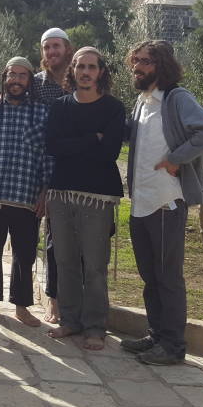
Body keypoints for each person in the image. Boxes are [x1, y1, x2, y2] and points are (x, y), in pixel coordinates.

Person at [120, 39, 203, 366]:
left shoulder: (177, 98)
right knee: (150, 275)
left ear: (162, 65)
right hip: (141, 202)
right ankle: (157, 335)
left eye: (146, 62)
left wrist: (177, 158)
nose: (138, 67)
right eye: (135, 61)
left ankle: (174, 346)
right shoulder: (142, 101)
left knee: (167, 276)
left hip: (166, 202)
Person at [44, 47, 125, 350]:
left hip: (98, 195)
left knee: (94, 264)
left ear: (101, 72)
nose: (86, 72)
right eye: (81, 66)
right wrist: (93, 138)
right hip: (61, 192)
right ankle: (70, 320)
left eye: (92, 66)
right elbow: (53, 146)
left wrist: (76, 144)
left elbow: (110, 153)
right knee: (64, 260)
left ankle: (95, 326)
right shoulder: (61, 106)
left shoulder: (114, 109)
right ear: (73, 70)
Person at [0, 56, 47, 327]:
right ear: (4, 79)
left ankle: (21, 307)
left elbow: (48, 156)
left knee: (24, 255)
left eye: (22, 76)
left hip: (27, 196)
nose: (16, 80)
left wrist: (45, 191)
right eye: (11, 75)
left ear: (30, 81)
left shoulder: (42, 113)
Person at [34, 27, 73, 324]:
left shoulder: (83, 81)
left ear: (67, 49)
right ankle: (53, 299)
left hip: (77, 167)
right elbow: (13, 97)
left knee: (77, 238)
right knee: (52, 238)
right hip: (41, 168)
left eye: (56, 47)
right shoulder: (36, 84)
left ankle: (77, 298)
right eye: (47, 48)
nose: (51, 52)